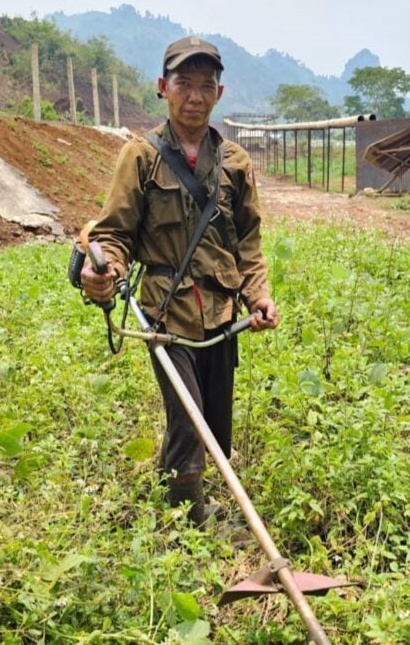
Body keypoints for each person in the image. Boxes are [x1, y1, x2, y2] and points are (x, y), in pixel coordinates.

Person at [81, 36, 279, 525]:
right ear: (162, 88)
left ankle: (178, 485)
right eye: (183, 83)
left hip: (222, 315)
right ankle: (186, 518)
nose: (195, 95)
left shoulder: (234, 163)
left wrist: (259, 295)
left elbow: (248, 239)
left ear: (220, 92)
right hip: (167, 314)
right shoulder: (141, 157)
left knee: (213, 421)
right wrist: (101, 273)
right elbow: (114, 235)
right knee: (190, 419)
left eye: (205, 85)